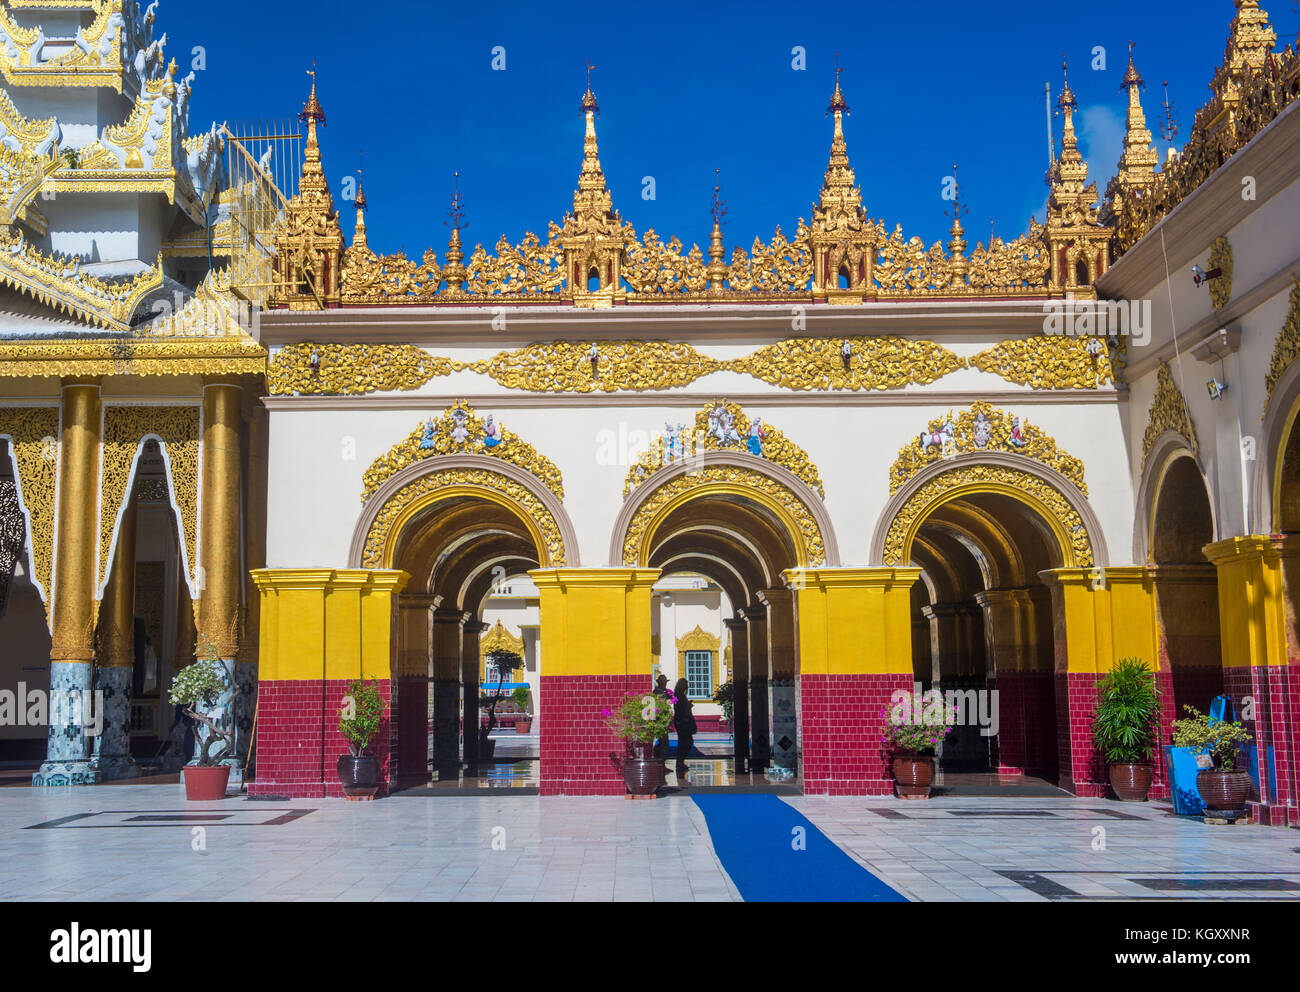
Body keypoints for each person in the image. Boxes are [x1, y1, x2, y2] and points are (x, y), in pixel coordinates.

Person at [673, 677, 696, 779]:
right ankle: (680, 762)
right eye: (686, 684)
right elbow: (681, 709)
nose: (687, 686)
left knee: (684, 742)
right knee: (686, 742)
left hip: (680, 721)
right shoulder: (680, 696)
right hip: (683, 722)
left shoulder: (679, 696)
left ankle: (680, 762)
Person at [652, 674, 671, 761]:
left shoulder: (660, 691)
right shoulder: (659, 692)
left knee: (662, 742)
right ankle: (661, 762)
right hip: (660, 720)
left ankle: (659, 762)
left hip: (662, 720)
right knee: (664, 743)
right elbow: (663, 701)